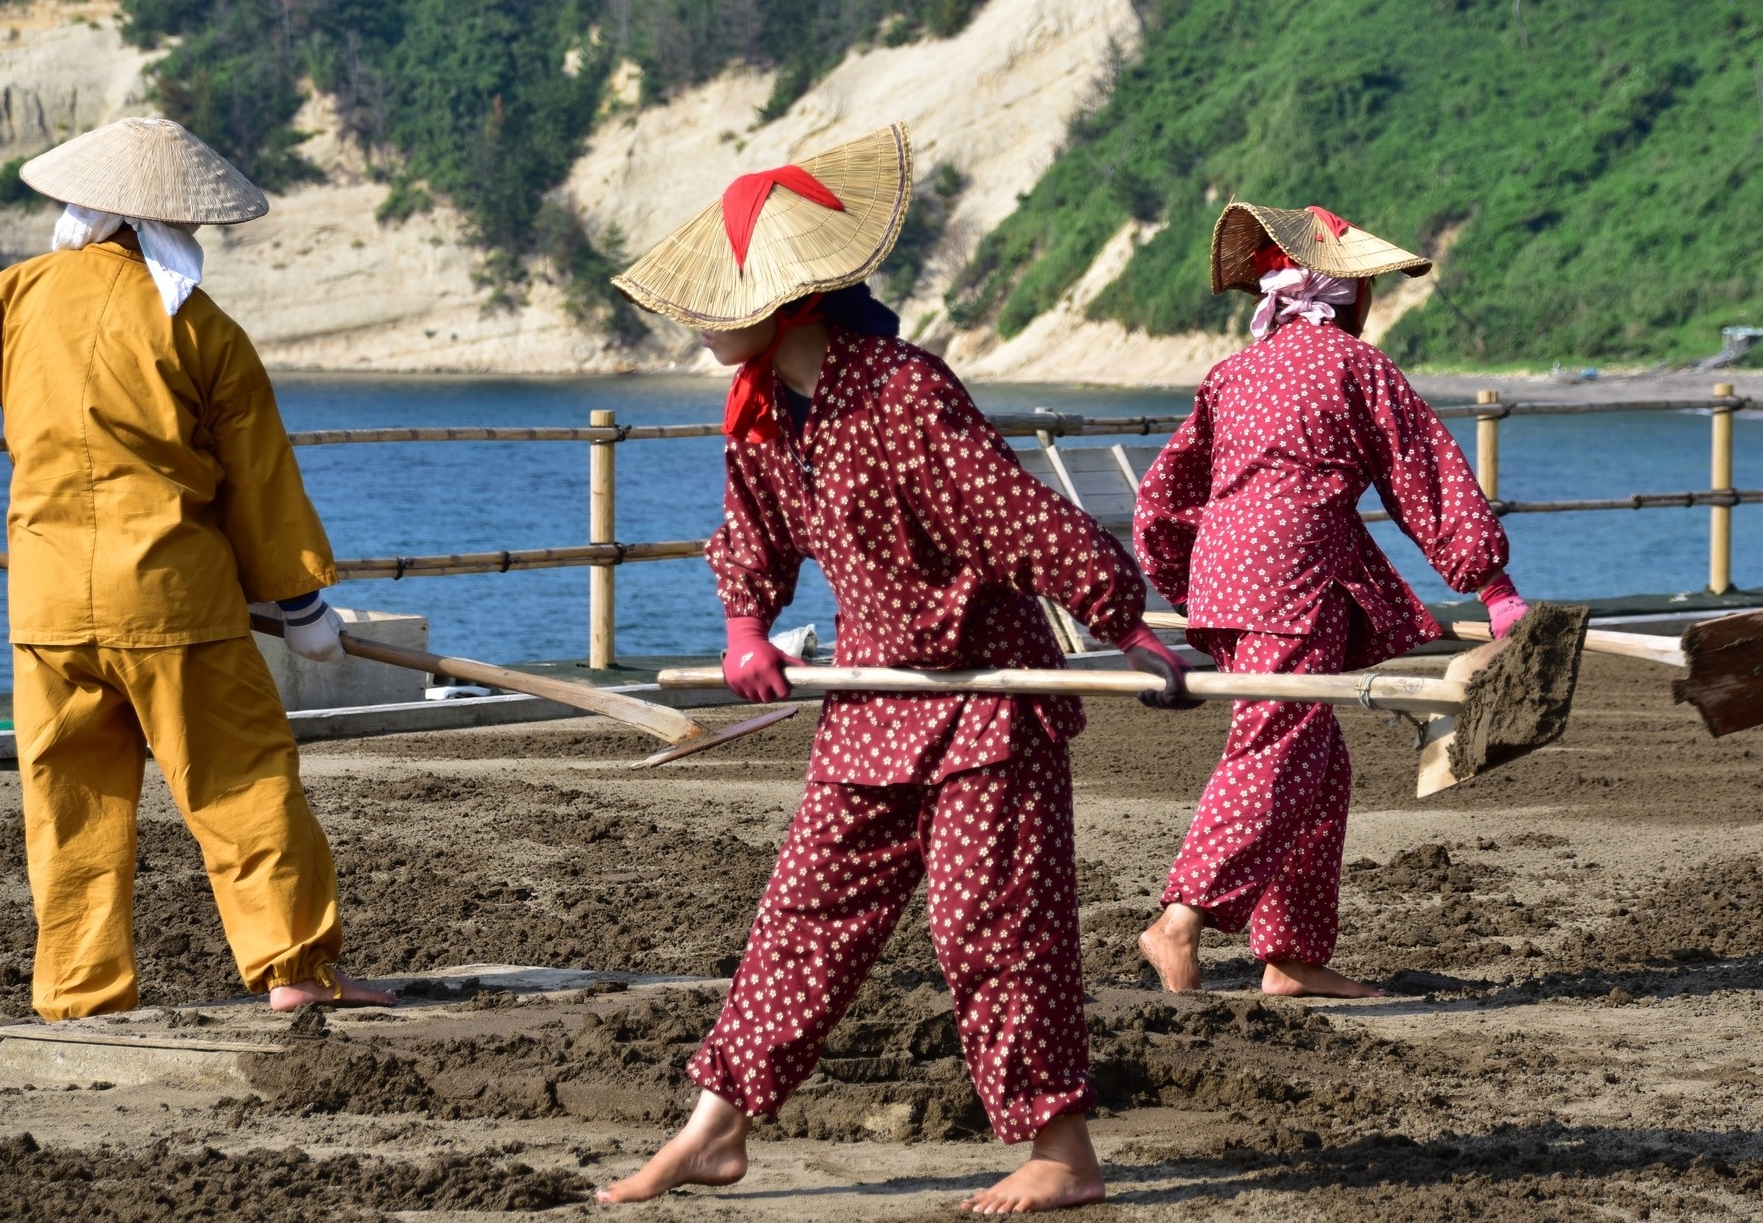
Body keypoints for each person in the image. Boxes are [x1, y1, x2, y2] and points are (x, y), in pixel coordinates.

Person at [596, 124, 1195, 1213]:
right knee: (804, 910)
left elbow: (1008, 515)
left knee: (991, 925)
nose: (699, 328)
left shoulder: (902, 391)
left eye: (720, 306)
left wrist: (1123, 621)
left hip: (982, 699)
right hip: (873, 700)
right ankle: (713, 1129)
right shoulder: (765, 420)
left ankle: (1062, 1155)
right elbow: (752, 537)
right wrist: (744, 629)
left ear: (785, 303)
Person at [0, 117, 392, 1019]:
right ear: (173, 225)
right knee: (241, 784)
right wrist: (300, 604)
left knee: (70, 810)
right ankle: (295, 969)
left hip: (48, 608)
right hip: (177, 606)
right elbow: (259, 483)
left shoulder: (11, 298)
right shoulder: (203, 330)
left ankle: (82, 997)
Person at [1132, 203, 1529, 998]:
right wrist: (1492, 585)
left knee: (1320, 766)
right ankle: (1180, 919)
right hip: (1289, 577)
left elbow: (1162, 497)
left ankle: (1291, 957)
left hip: (1231, 578)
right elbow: (1424, 478)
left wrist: (1186, 582)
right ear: (1350, 298)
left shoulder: (1231, 375)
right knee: (1279, 749)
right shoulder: (1357, 367)